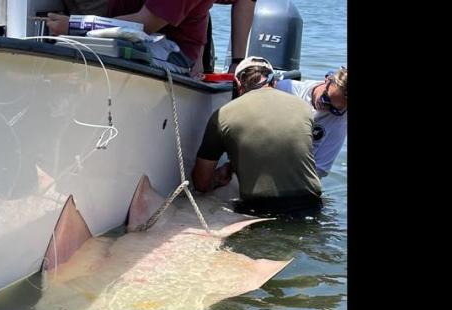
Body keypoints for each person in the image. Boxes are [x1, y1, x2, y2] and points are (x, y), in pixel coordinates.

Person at [192, 56, 322, 212]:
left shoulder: (222, 115)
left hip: (260, 209)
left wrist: (219, 176)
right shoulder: (303, 108)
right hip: (312, 204)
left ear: (238, 84)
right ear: (274, 82)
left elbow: (201, 183)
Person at [48, 0, 214, 74]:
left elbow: (145, 24)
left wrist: (74, 26)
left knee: (106, 50)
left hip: (173, 51)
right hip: (145, 30)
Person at [276, 67, 347, 178]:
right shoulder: (284, 89)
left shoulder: (340, 121)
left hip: (298, 175)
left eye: (335, 109)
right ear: (327, 80)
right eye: (326, 98)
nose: (324, 107)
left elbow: (320, 168)